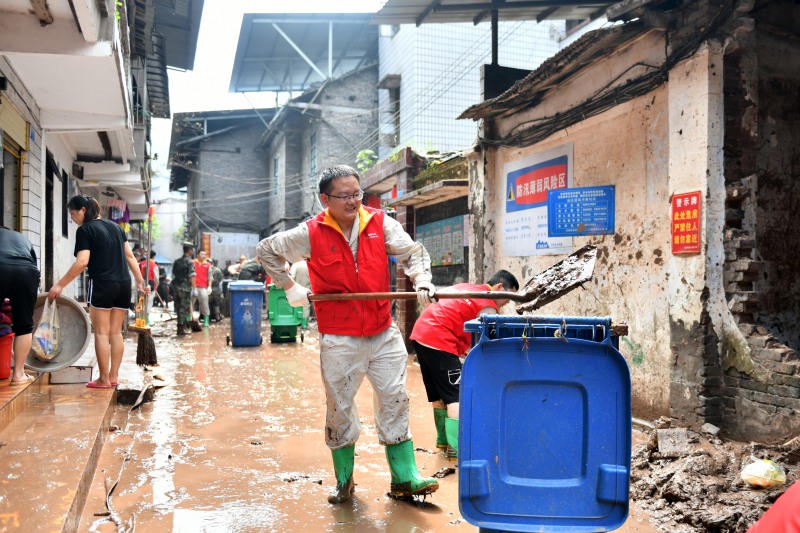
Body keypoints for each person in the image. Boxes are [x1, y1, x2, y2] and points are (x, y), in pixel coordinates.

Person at [257, 164, 438, 504]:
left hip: (383, 330)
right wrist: (288, 285)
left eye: (357, 193)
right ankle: (344, 481)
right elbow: (267, 250)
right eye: (345, 196)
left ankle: (404, 477)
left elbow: (412, 253)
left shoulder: (379, 222)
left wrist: (423, 280)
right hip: (339, 336)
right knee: (339, 406)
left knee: (395, 397)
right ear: (325, 199)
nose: (354, 201)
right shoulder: (310, 232)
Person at [410, 270, 519, 460]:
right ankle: (456, 451)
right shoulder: (489, 306)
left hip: (421, 333)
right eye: (506, 299)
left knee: (439, 394)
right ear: (499, 287)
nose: (505, 304)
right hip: (440, 338)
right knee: (456, 396)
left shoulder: (468, 287)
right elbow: (485, 345)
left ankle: (443, 441)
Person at [48, 195, 148, 389]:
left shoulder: (85, 230)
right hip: (123, 284)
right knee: (116, 333)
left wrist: (59, 284)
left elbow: (82, 261)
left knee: (102, 333)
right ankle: (113, 376)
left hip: (102, 284)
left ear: (83, 210)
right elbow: (130, 257)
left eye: (73, 212)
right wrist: (141, 281)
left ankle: (103, 379)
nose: (72, 217)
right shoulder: (117, 228)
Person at [0, 226, 41, 384]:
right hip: (27, 271)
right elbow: (33, 263)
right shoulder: (21, 238)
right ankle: (18, 374)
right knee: (24, 325)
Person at [171, 243, 197, 336]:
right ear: (190, 250)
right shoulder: (190, 262)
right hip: (185, 287)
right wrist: (195, 289)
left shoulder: (177, 261)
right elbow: (192, 275)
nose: (192, 251)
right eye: (192, 250)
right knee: (184, 308)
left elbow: (174, 273)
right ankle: (180, 328)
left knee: (178, 307)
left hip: (175, 286)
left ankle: (183, 326)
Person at [139, 250, 159, 322]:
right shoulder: (154, 265)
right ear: (153, 256)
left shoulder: (141, 263)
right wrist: (156, 286)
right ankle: (146, 319)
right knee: (149, 302)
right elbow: (156, 279)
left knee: (142, 301)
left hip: (141, 283)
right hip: (150, 284)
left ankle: (140, 318)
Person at [194, 249, 212, 326]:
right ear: (198, 255)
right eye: (202, 254)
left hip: (203, 287)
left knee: (205, 304)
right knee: (190, 304)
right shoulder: (192, 262)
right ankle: (189, 320)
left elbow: (210, 277)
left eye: (205, 255)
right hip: (193, 287)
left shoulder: (208, 265)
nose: (204, 256)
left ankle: (206, 321)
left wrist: (209, 286)